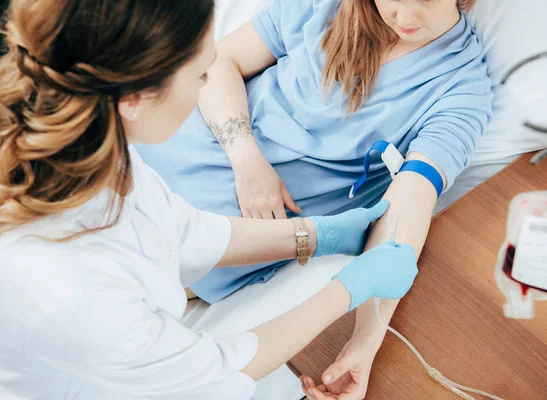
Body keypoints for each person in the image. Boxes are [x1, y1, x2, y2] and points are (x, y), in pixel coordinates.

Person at [0, 1, 419, 399]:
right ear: (135, 98)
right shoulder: (67, 288)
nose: (208, 83)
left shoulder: (96, 151)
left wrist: (314, 234)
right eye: (201, 75)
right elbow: (218, 370)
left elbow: (178, 229)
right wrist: (349, 289)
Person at [136, 0, 492, 397]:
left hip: (223, 234)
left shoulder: (461, 88)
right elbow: (220, 62)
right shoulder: (323, 6)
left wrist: (365, 342)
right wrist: (247, 160)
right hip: (158, 149)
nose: (405, 18)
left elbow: (410, 205)